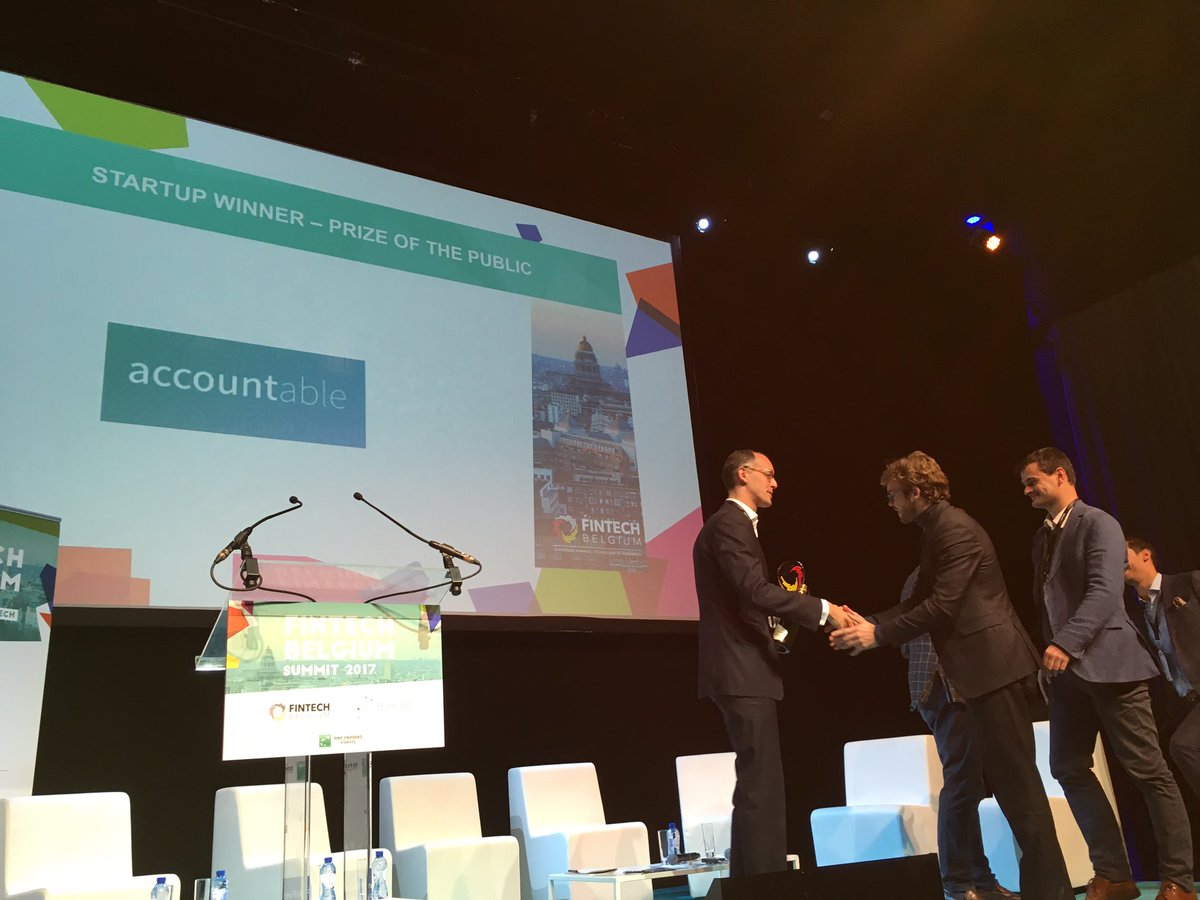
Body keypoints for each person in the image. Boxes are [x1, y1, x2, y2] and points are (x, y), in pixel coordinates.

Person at [832, 451, 1072, 900]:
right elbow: (918, 600)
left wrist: (877, 635)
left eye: (893, 495)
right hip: (979, 676)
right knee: (1009, 788)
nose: (890, 504)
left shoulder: (954, 529)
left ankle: (1050, 893)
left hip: (994, 670)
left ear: (916, 492)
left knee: (1019, 790)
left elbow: (942, 606)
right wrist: (868, 622)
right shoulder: (936, 531)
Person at [1019, 447, 1194, 900]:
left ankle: (1178, 878)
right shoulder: (1042, 537)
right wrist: (1049, 657)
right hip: (1068, 675)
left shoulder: (1099, 523)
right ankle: (1114, 874)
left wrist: (1065, 643)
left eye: (1033, 481)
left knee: (1147, 770)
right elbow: (1047, 605)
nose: (1027, 490)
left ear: (1061, 476)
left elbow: (1103, 592)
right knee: (1067, 766)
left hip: (1112, 665)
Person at [694, 449, 847, 877]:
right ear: (743, 474)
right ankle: (768, 886)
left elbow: (747, 598)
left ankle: (749, 885)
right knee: (762, 787)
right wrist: (823, 610)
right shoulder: (729, 523)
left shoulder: (737, 525)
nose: (775, 483)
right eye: (769, 474)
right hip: (740, 668)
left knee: (754, 784)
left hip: (744, 667)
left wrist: (785, 619)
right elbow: (755, 590)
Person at [885, 567, 1018, 900]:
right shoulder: (935, 573)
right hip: (947, 684)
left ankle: (979, 879)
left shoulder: (927, 573)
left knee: (968, 784)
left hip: (948, 685)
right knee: (961, 782)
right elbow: (922, 628)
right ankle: (958, 881)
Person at [1124, 537, 1200, 799]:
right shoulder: (1132, 615)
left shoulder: (1189, 582)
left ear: (1145, 554)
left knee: (1184, 745)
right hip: (1183, 705)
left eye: (1122, 553)